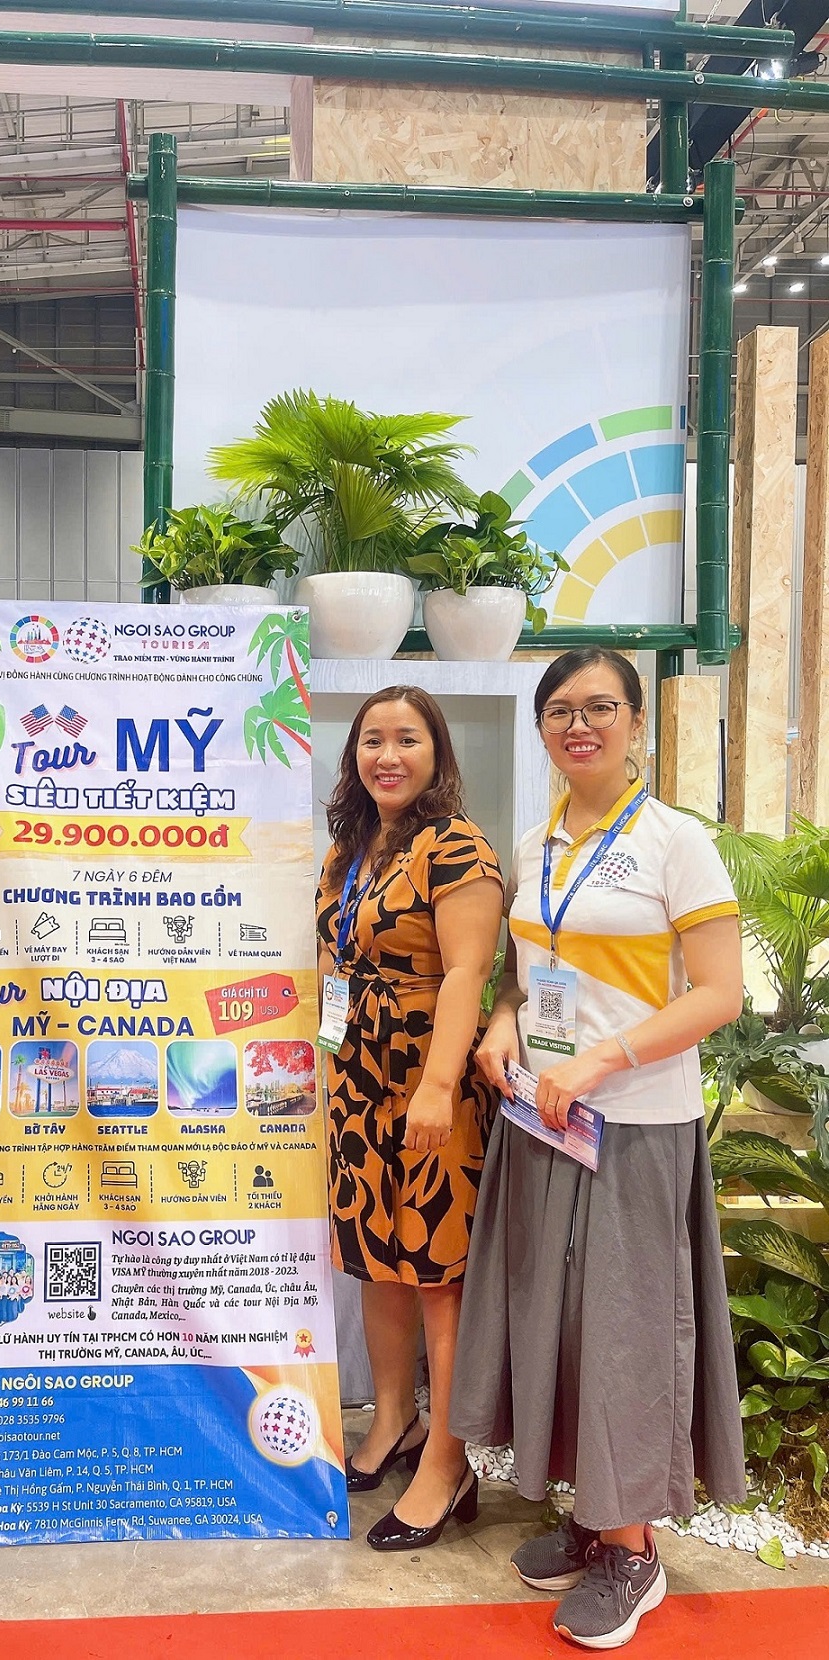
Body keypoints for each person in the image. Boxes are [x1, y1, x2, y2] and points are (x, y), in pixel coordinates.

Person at [450, 649, 746, 1651]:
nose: (579, 725)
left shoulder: (675, 842)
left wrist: (604, 1058)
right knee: (562, 1323)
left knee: (624, 1330)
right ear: (541, 729)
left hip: (637, 1123)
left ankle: (633, 1551)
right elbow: (525, 971)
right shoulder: (534, 843)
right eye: (561, 711)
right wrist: (503, 1022)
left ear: (636, 723)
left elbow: (719, 994)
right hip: (543, 1117)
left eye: (600, 707)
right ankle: (591, 1514)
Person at [316, 685, 503, 1552]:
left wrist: (436, 1086)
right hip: (357, 1075)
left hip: (430, 1077)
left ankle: (446, 1460)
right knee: (374, 1259)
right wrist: (327, 1058)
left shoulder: (456, 847)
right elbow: (332, 959)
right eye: (372, 740)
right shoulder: (350, 848)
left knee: (436, 1271)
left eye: (407, 739)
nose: (387, 756)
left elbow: (467, 972)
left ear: (436, 754)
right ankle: (393, 1419)